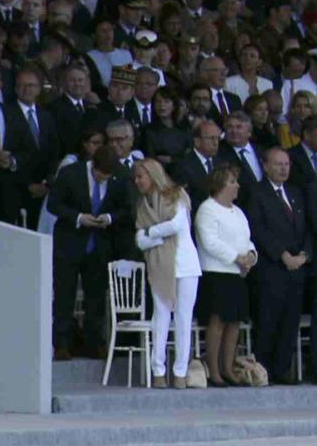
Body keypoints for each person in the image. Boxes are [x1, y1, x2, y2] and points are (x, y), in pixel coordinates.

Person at [47, 144, 131, 361]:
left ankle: (94, 343)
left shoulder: (121, 175)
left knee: (96, 296)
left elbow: (127, 208)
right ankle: (61, 344)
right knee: (65, 294)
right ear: (93, 165)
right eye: (100, 175)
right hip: (70, 243)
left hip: (99, 245)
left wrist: (109, 218)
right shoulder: (70, 173)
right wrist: (78, 217)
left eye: (107, 176)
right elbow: (54, 204)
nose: (103, 179)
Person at [130, 158, 202, 388]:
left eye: (141, 176)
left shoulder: (177, 195)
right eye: (136, 177)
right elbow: (139, 242)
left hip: (186, 265)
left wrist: (152, 233)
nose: (137, 181)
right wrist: (155, 236)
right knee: (160, 317)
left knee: (183, 318)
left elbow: (177, 225)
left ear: (153, 175)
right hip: (160, 266)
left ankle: (180, 372)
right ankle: (158, 371)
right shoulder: (143, 205)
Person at [242, 145, 306, 384]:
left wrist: (304, 255)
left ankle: (282, 370)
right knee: (268, 320)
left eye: (286, 164)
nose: (283, 168)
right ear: (266, 166)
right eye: (278, 164)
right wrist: (282, 255)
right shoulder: (256, 192)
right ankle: (264, 370)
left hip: (296, 269)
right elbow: (258, 229)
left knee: (290, 322)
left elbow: (307, 227)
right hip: (271, 269)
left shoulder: (295, 192)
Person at [193, 162, 254, 386]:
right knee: (217, 322)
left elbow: (246, 239)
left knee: (234, 322)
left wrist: (250, 257)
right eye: (232, 182)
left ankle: (228, 368)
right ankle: (214, 369)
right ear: (220, 185)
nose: (237, 185)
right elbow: (210, 242)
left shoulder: (237, 211)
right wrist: (237, 258)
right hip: (216, 274)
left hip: (237, 274)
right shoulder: (207, 209)